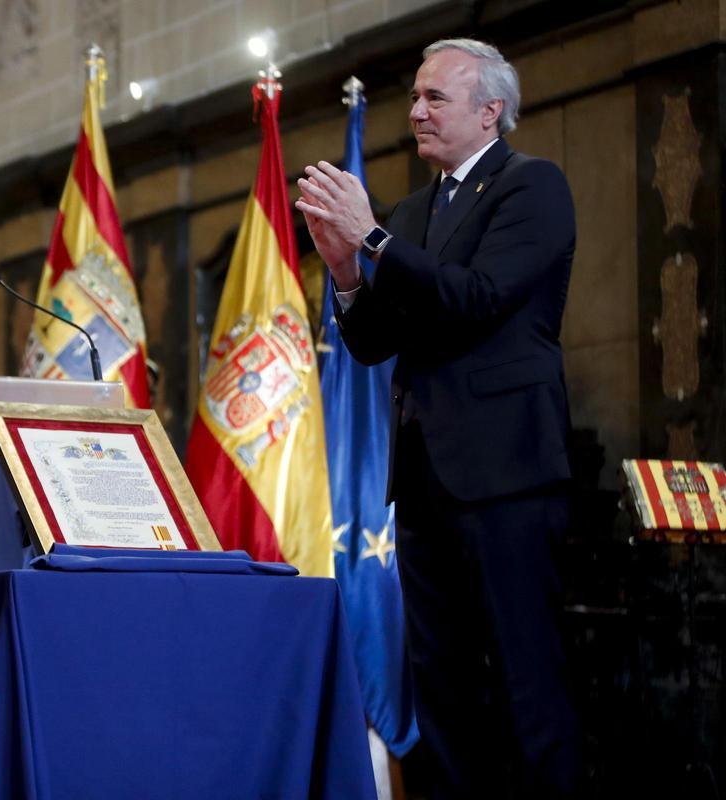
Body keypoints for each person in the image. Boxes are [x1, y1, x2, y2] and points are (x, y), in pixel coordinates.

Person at [296, 39, 581, 798]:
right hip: (422, 485)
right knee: (445, 692)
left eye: (435, 98)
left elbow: (479, 298)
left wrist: (375, 239)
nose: (416, 110)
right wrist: (347, 274)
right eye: (415, 97)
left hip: (509, 477)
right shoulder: (419, 209)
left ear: (490, 111)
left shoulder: (533, 187)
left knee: (529, 686)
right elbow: (373, 343)